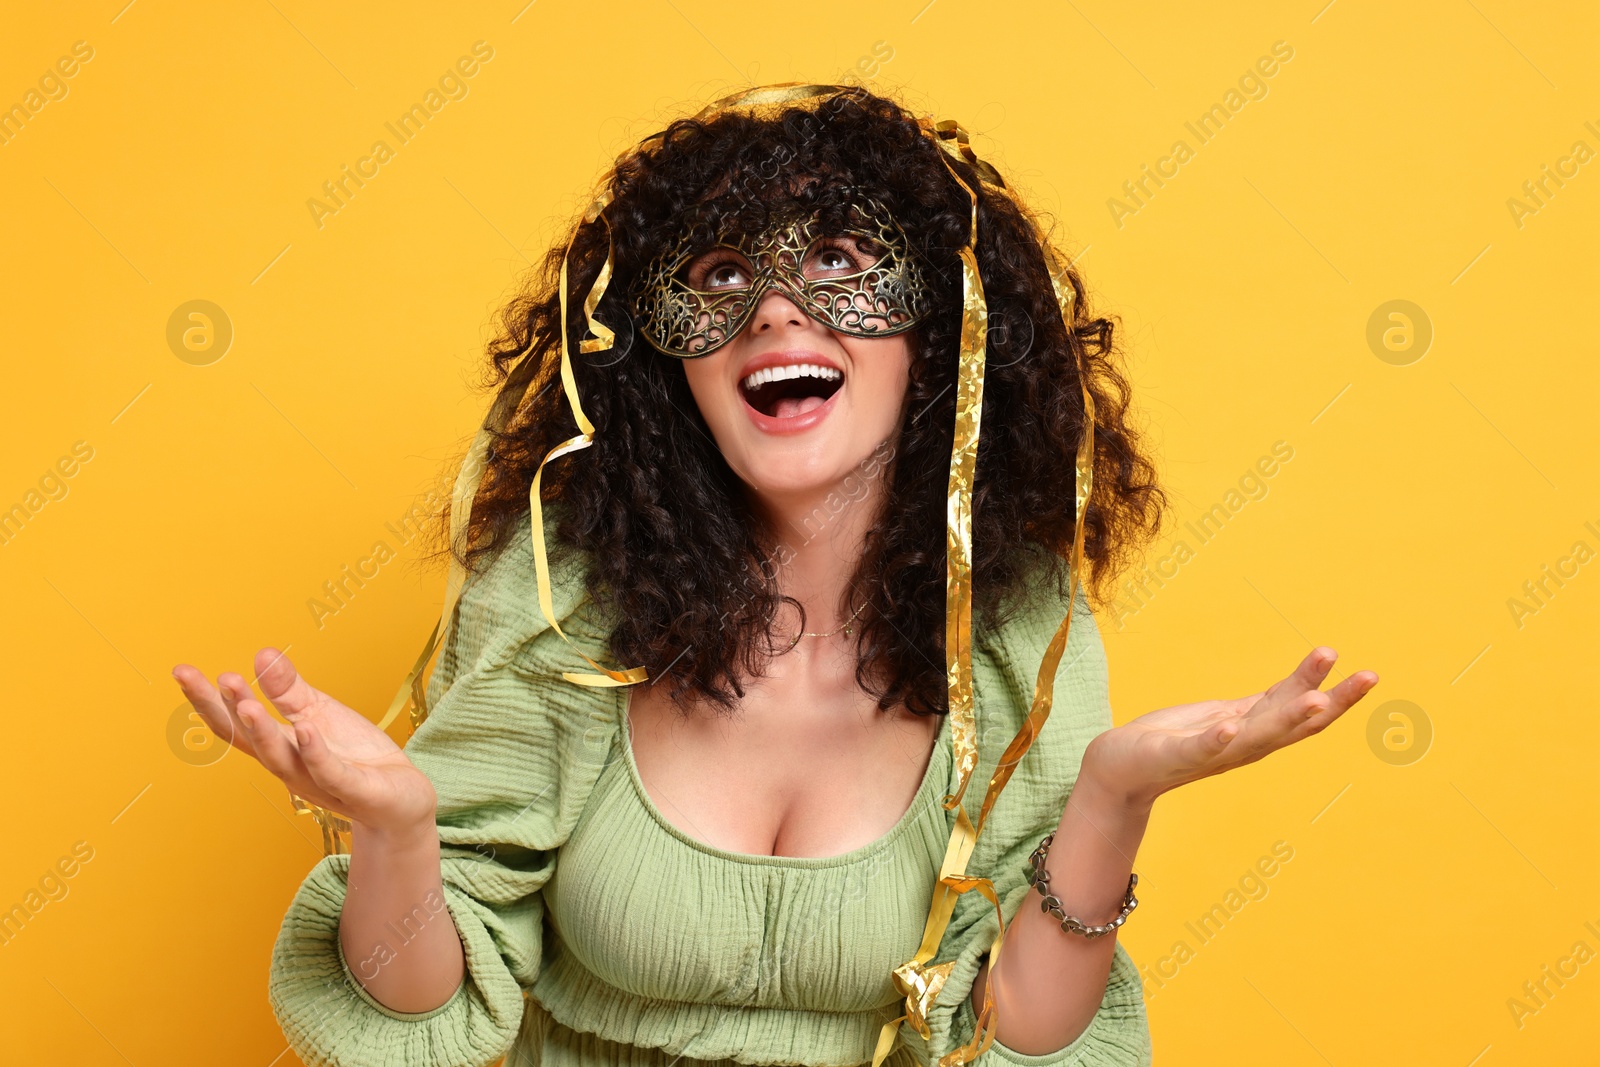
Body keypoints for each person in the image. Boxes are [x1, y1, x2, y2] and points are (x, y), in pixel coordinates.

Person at [172, 83, 1378, 1067]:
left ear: (939, 336)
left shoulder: (1014, 634)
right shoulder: (564, 608)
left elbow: (1017, 1038)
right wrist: (394, 830)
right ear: (659, 365)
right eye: (714, 279)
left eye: (843, 263)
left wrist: (1113, 793)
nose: (776, 314)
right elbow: (411, 1009)